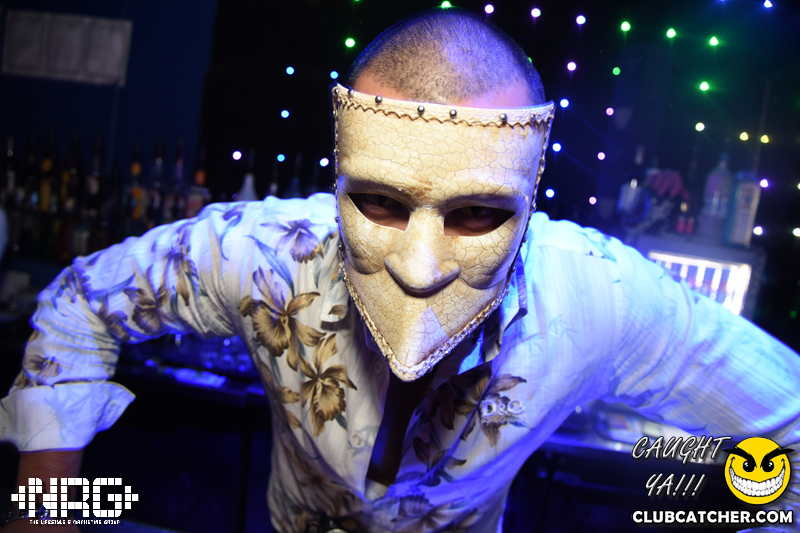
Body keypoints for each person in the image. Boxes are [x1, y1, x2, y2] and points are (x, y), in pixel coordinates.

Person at [2, 8, 799, 533]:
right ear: (338, 184)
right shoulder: (263, 255)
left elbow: (788, 444)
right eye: (381, 202)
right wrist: (48, 507)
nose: (419, 268)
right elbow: (79, 302)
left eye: (476, 213)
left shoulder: (599, 298)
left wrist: (681, 496)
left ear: (528, 207)